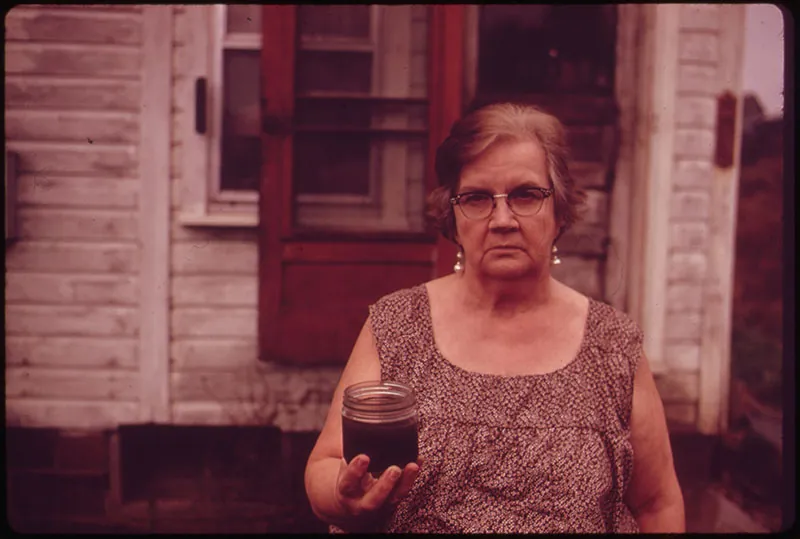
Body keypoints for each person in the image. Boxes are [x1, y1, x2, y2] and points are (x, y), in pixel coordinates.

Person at [304, 102, 686, 533]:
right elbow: (325, 465)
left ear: (559, 209)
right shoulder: (396, 325)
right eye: (478, 198)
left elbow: (656, 504)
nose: (502, 219)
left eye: (525, 195)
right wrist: (343, 496)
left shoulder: (612, 344)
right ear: (452, 214)